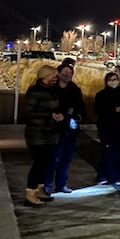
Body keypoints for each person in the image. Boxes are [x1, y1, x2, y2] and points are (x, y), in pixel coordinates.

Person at [24, 65, 61, 207]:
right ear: (45, 76)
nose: (55, 79)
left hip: (50, 133)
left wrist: (58, 114)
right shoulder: (35, 91)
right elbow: (29, 113)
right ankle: (30, 193)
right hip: (37, 134)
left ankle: (39, 190)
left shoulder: (51, 91)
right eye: (53, 76)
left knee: (45, 163)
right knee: (38, 164)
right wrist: (49, 115)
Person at [46, 64, 86, 194]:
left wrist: (76, 117)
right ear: (58, 73)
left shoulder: (74, 89)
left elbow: (80, 107)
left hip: (69, 128)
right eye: (65, 72)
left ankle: (61, 184)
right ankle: (46, 185)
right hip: (53, 128)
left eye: (70, 72)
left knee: (66, 158)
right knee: (53, 158)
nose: (67, 74)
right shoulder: (51, 89)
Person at [94, 73, 120, 185]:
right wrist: (114, 110)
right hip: (106, 126)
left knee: (114, 151)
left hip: (118, 126)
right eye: (110, 80)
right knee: (109, 151)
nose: (113, 82)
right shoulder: (102, 94)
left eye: (115, 79)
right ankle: (114, 176)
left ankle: (103, 176)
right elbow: (98, 110)